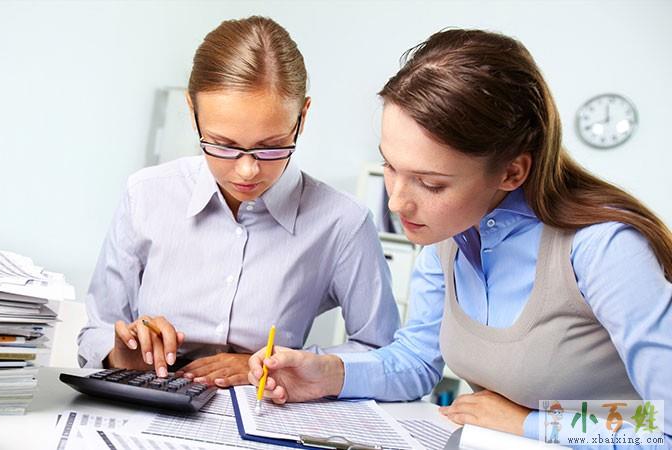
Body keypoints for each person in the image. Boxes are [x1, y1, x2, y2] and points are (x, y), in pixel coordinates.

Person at [249, 28, 672, 445]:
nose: (397, 203)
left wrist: (529, 423)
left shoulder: (606, 249)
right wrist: (328, 375)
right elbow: (417, 360)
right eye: (390, 167)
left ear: (512, 172)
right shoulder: (448, 236)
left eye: (430, 184)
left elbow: (665, 428)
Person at [77, 16, 399, 388]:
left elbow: (383, 352)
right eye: (223, 145)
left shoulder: (343, 222)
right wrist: (122, 354)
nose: (247, 170)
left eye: (271, 147)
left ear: (302, 116)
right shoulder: (146, 195)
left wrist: (280, 365)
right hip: (148, 398)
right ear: (192, 111)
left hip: (265, 409)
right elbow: (96, 331)